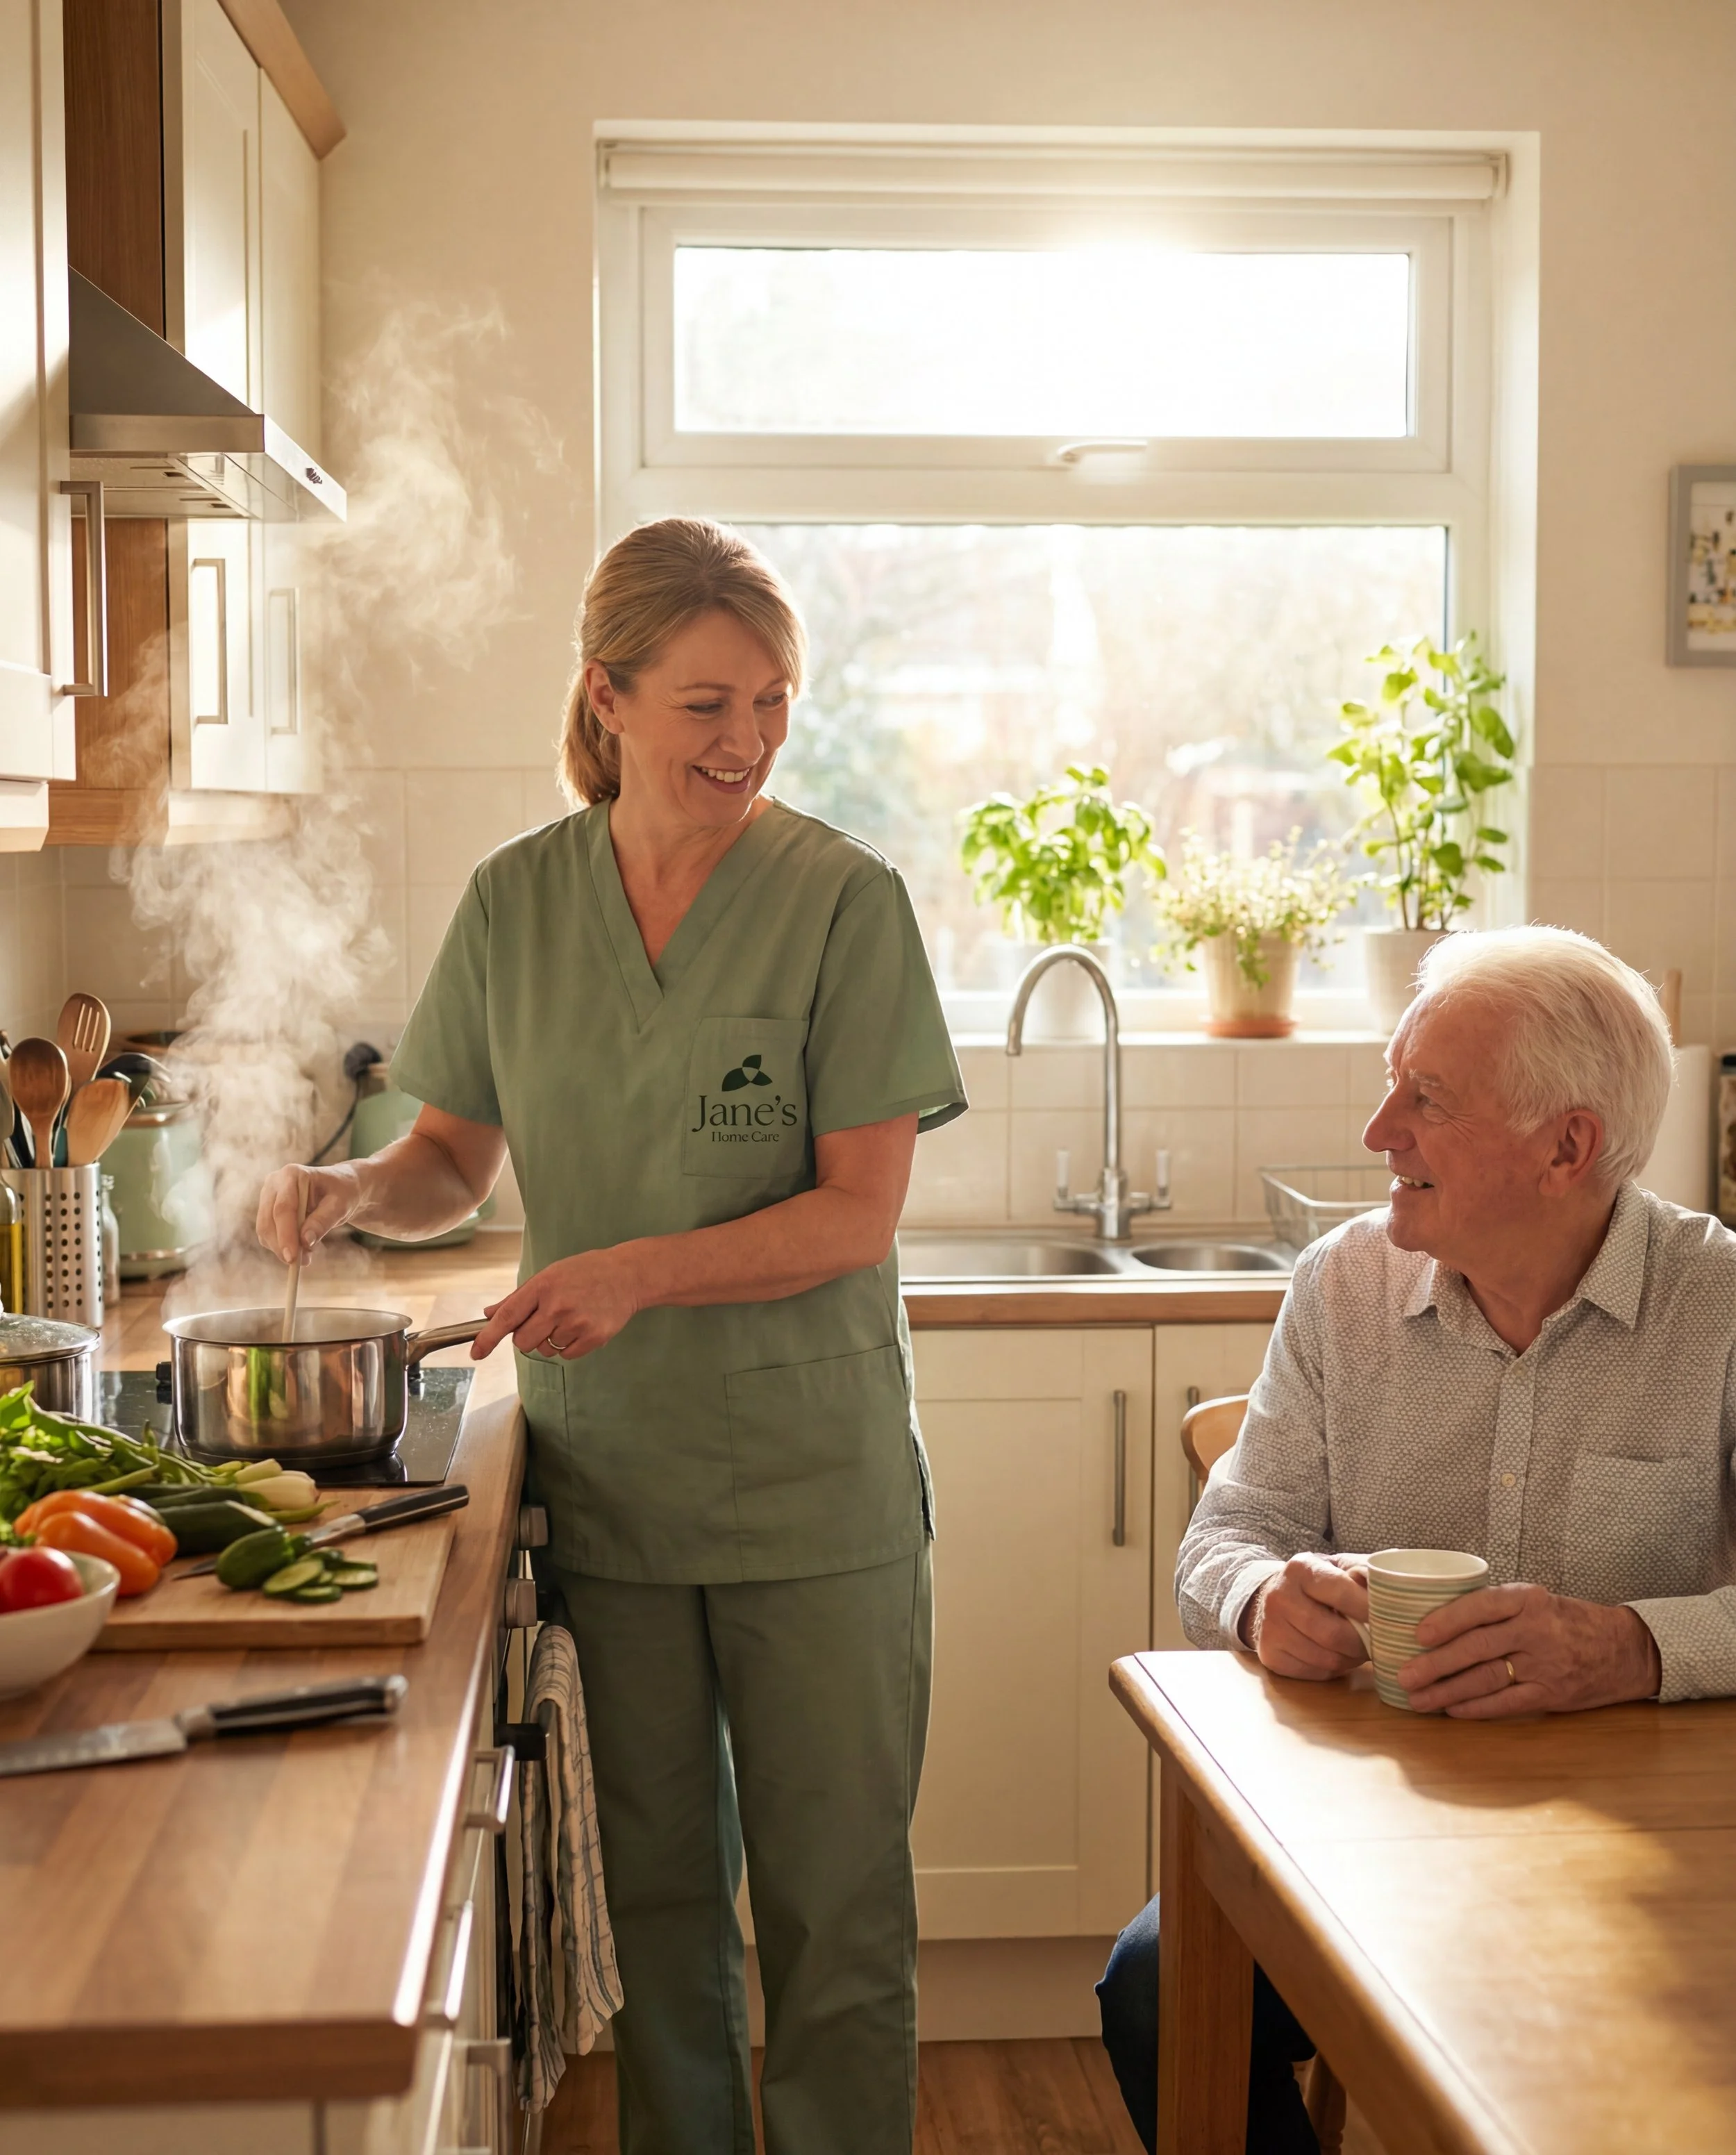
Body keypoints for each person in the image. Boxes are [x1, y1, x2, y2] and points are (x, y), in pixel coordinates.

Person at [256, 517, 966, 2155]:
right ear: (609, 696)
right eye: (709, 704)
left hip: (813, 1485)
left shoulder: (843, 905)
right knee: (655, 1898)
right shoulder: (518, 901)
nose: (749, 742)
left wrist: (637, 1273)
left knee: (831, 1909)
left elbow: (858, 1214)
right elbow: (451, 1161)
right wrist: (356, 1187)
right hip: (613, 1474)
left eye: (774, 703)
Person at [1098, 925, 1736, 2154]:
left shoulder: (1721, 1305)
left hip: (1649, 1850)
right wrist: (1258, 1596)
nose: (1378, 1129)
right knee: (1158, 1983)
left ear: (1570, 1146)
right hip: (1370, 1834)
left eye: (1426, 1098)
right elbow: (1228, 1534)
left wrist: (1630, 1649)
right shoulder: (1342, 1288)